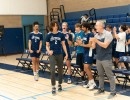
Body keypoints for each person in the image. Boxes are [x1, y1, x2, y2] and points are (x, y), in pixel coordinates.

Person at [90, 21, 116, 99]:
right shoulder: (96, 35)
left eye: (96, 25)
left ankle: (113, 92)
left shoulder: (108, 34)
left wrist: (96, 41)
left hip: (106, 58)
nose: (95, 27)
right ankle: (101, 89)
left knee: (110, 76)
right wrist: (92, 42)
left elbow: (105, 45)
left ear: (101, 26)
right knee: (100, 75)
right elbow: (93, 47)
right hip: (99, 58)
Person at [46, 21, 68, 95]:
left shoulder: (61, 34)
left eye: (56, 25)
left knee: (60, 70)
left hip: (60, 54)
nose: (55, 26)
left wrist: (66, 53)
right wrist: (49, 51)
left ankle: (60, 84)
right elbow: (47, 45)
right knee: (52, 70)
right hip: (52, 55)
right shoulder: (48, 35)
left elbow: (63, 45)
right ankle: (53, 86)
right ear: (51, 26)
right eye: (54, 25)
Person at [78, 22, 96, 90]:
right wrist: (80, 42)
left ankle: (93, 82)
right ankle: (90, 82)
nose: (82, 28)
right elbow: (84, 43)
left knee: (86, 67)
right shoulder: (84, 34)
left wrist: (81, 45)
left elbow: (90, 45)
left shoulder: (90, 34)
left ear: (87, 28)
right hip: (85, 52)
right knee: (86, 68)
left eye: (83, 27)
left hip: (89, 53)